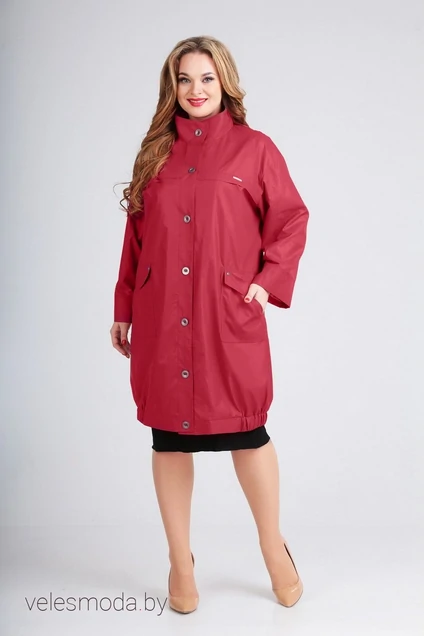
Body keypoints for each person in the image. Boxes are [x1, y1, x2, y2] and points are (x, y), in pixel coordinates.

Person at [110, 35, 309, 613]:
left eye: (206, 78)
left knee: (248, 430)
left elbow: (291, 218)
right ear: (171, 87)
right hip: (161, 315)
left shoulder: (255, 149)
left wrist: (267, 280)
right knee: (169, 438)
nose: (195, 90)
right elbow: (135, 239)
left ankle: (272, 547)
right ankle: (180, 560)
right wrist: (123, 308)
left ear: (225, 83)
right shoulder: (155, 155)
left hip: (225, 314)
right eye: (184, 79)